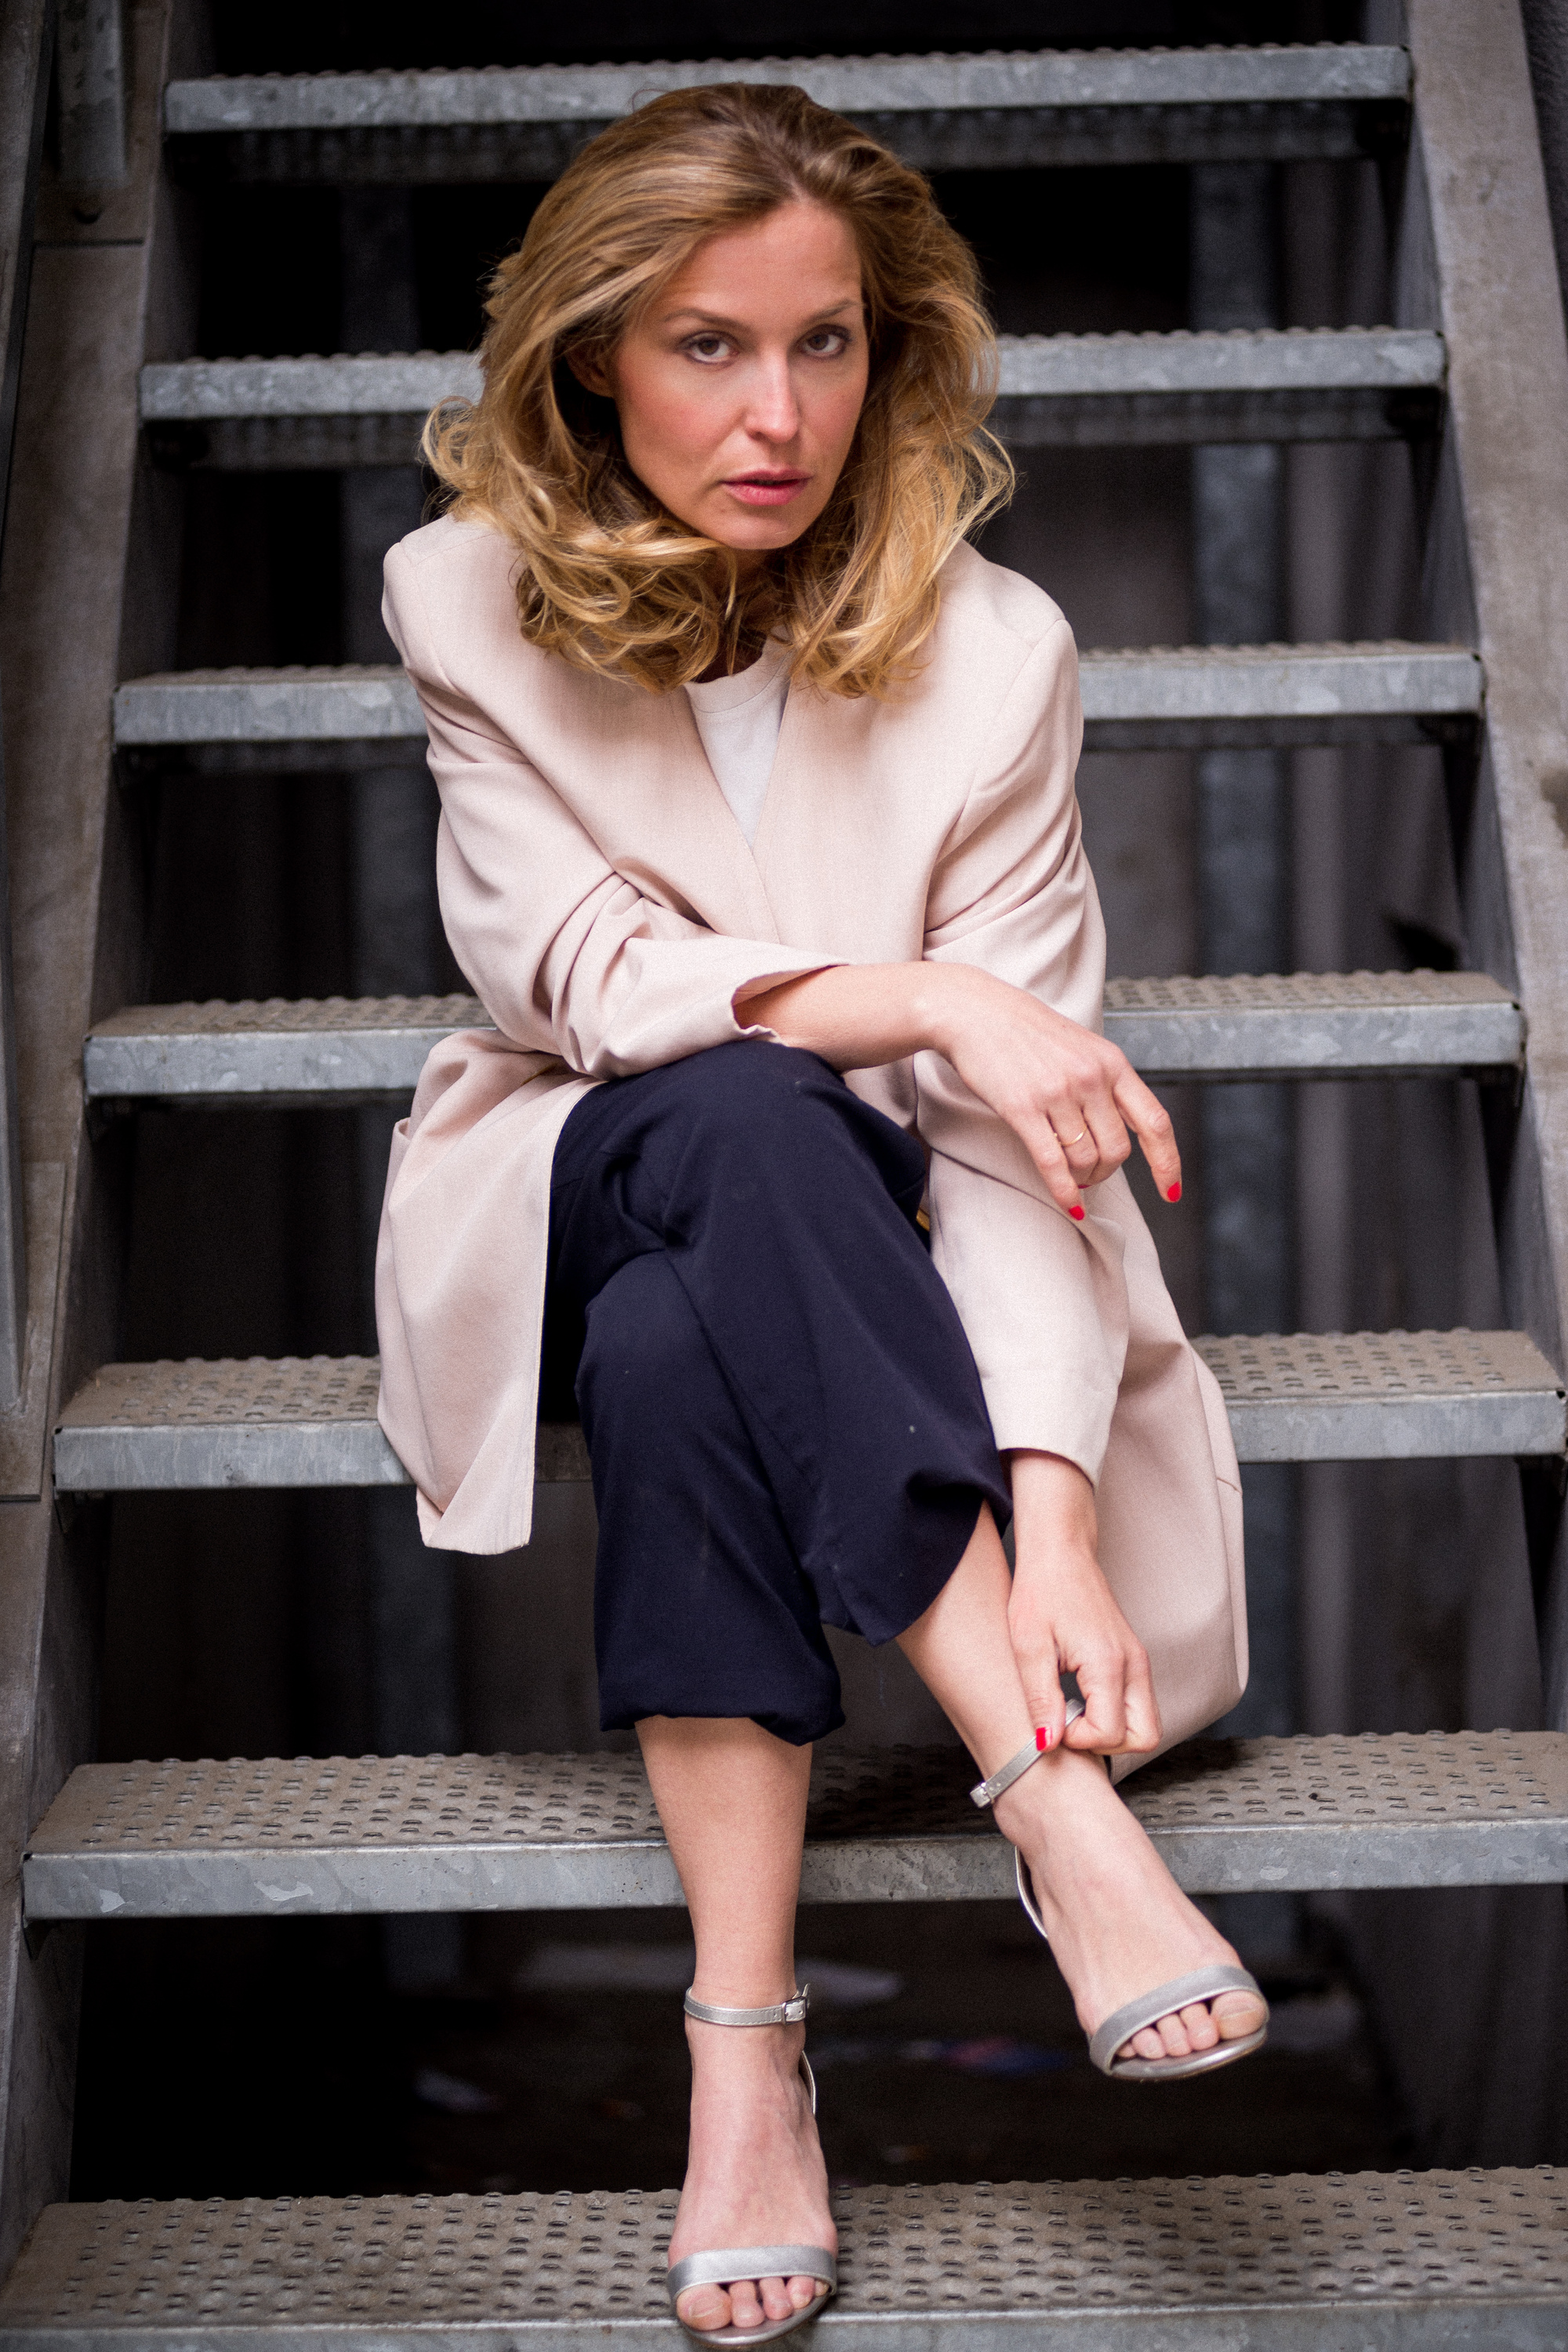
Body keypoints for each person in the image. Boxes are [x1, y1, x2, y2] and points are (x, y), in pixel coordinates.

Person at [376, 81, 1265, 2347]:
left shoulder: (999, 650)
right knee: (746, 1108)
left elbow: (1015, 1143)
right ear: (593, 357)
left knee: (684, 1349)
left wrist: (1056, 1518)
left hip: (864, 1260)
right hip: (580, 1161)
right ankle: (1052, 1808)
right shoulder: (464, 596)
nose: (777, 416)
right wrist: (935, 997)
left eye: (826, 343)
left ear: (891, 352)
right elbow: (584, 981)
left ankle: (743, 2059)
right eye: (707, 346)